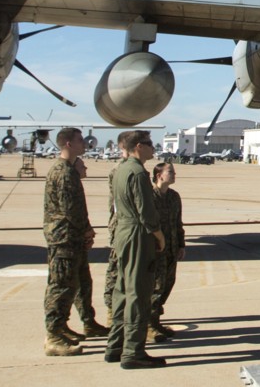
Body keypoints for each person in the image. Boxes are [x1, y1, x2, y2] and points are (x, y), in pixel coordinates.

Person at [104, 130, 167, 369]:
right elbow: (146, 212)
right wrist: (159, 235)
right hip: (138, 234)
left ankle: (115, 346)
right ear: (139, 146)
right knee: (139, 294)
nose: (153, 148)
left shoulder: (120, 170)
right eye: (150, 144)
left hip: (123, 232)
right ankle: (133, 352)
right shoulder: (138, 173)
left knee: (121, 291)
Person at [41, 127, 106, 356]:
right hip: (66, 239)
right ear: (68, 143)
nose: (84, 144)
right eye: (80, 140)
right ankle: (53, 336)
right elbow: (71, 210)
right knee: (61, 286)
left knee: (76, 283)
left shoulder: (67, 170)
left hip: (71, 238)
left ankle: (64, 327)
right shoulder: (64, 172)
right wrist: (86, 230)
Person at [148, 160, 186, 341]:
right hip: (156, 251)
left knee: (166, 286)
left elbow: (178, 224)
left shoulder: (174, 197)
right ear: (159, 175)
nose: (174, 175)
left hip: (171, 250)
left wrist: (181, 245)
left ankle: (155, 322)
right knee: (155, 288)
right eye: (170, 172)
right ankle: (149, 325)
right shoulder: (149, 196)